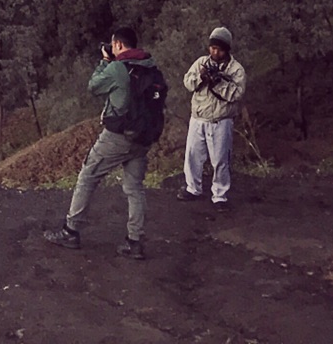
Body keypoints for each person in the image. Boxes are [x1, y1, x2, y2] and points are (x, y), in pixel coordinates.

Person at [44, 25, 165, 260]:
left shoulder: (118, 68)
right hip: (143, 137)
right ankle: (135, 241)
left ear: (118, 45)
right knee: (134, 188)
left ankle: (71, 230)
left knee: (88, 175)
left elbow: (93, 86)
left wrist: (104, 61)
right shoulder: (150, 65)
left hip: (118, 135)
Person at [177, 25, 247, 206]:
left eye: (219, 49)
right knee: (192, 155)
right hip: (198, 118)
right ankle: (192, 188)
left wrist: (218, 83)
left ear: (226, 49)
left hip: (220, 121)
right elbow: (187, 82)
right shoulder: (201, 62)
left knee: (220, 159)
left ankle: (220, 195)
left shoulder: (236, 70)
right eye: (212, 47)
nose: (215, 52)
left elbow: (237, 94)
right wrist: (202, 78)